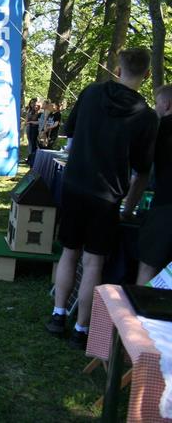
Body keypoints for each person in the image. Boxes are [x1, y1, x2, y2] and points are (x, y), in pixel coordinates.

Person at [46, 48, 158, 350]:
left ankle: (58, 315)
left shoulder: (91, 93)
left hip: (75, 185)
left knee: (69, 252)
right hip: (107, 197)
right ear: (147, 75)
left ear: (117, 70)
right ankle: (81, 328)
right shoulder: (147, 117)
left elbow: (69, 138)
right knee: (93, 262)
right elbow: (142, 172)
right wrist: (128, 209)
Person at [136, 84, 172, 285]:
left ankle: (141, 304)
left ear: (167, 104)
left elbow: (142, 170)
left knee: (148, 265)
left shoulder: (159, 129)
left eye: (157, 103)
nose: (156, 107)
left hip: (165, 206)